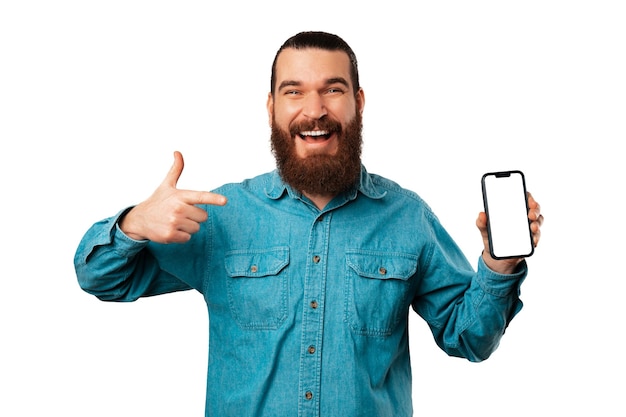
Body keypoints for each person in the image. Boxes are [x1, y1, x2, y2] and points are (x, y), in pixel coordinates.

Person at [75, 31, 543, 417]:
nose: (314, 109)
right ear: (272, 107)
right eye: (293, 91)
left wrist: (499, 263)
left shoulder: (407, 217)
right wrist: (134, 223)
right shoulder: (222, 214)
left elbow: (470, 338)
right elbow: (101, 278)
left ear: (358, 102)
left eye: (333, 89)